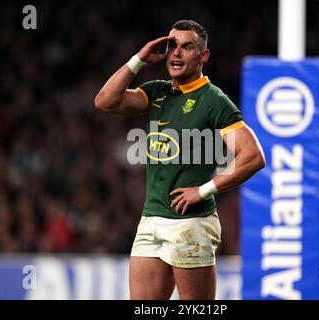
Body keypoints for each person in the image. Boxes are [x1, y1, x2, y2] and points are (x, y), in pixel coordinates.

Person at [94, 20, 265, 300]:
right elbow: (105, 101)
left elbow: (253, 156)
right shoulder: (157, 92)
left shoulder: (213, 101)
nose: (176, 53)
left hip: (191, 224)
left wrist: (204, 190)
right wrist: (138, 60)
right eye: (172, 46)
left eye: (187, 47)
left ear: (203, 56)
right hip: (151, 218)